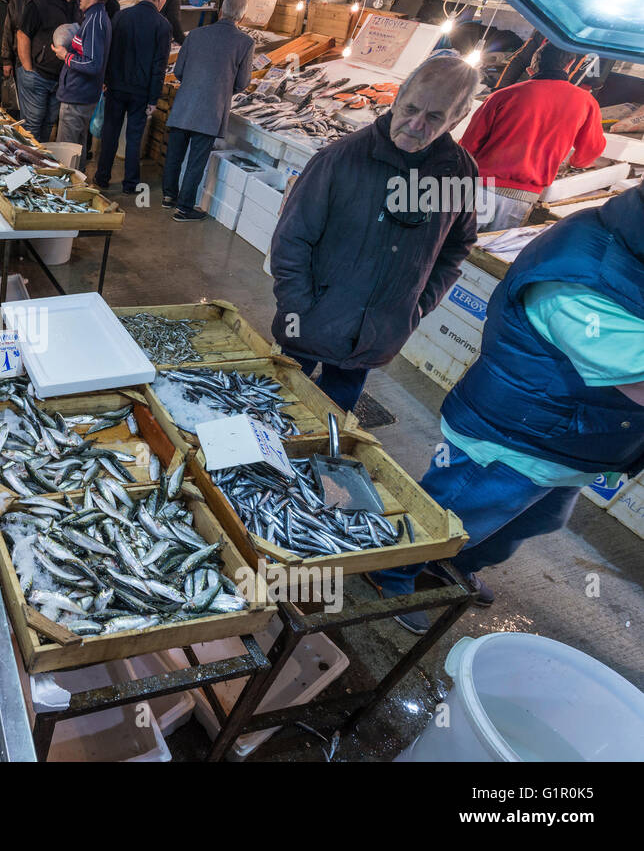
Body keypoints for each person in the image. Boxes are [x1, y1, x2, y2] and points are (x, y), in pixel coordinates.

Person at [369, 190, 644, 632]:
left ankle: (451, 565)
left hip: (574, 445)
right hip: (511, 438)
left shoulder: (624, 252)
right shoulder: (583, 272)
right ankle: (390, 573)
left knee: (529, 523)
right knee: (447, 513)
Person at [269, 54, 482, 412]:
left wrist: (415, 307)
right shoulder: (341, 158)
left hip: (377, 337)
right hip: (306, 326)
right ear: (397, 98)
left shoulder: (458, 173)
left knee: (333, 420)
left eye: (434, 117)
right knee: (275, 407)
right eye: (411, 108)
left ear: (457, 119)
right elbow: (291, 238)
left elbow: (456, 247)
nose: (415, 125)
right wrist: (299, 307)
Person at [461, 43, 606, 232]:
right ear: (570, 65)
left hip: (479, 190)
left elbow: (467, 147)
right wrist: (573, 161)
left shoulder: (503, 95)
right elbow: (590, 151)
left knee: (450, 250)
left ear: (531, 69)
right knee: (485, 256)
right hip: (521, 199)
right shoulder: (586, 102)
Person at [161, 0, 254, 222]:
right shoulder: (245, 42)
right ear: (241, 18)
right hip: (211, 110)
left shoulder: (196, 35)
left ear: (221, 11)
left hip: (184, 105)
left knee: (174, 154)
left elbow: (178, 71)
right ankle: (183, 209)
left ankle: (168, 196)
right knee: (196, 162)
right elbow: (242, 83)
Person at [93, 0, 172, 193]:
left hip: (116, 86)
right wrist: (154, 98)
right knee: (133, 138)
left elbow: (109, 50)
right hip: (141, 92)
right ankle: (130, 184)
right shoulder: (162, 26)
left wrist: (105, 80)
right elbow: (159, 66)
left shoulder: (121, 16)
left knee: (110, 133)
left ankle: (101, 178)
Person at [17, 0, 86, 142]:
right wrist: (28, 69)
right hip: (37, 76)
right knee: (32, 127)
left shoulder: (78, 6)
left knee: (48, 126)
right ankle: (25, 167)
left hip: (59, 79)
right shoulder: (41, 2)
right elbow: (22, 35)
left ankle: (39, 167)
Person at [53, 0, 112, 162]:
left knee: (66, 155)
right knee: (77, 152)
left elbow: (92, 63)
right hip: (81, 97)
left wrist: (65, 56)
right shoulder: (95, 18)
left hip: (77, 100)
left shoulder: (95, 21)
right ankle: (77, 187)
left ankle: (68, 190)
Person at [1, 0, 49, 120]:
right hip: (23, 64)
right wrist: (6, 60)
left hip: (47, 67)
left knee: (45, 118)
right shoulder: (18, 1)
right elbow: (8, 32)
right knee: (29, 116)